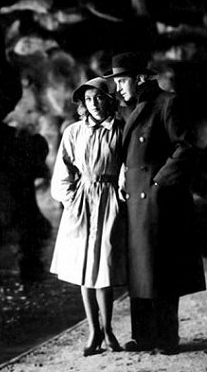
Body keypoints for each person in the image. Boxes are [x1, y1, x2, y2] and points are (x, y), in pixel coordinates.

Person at [104, 52, 206, 355]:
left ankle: (166, 338)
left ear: (139, 79)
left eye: (122, 80)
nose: (119, 87)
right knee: (140, 268)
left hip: (161, 200)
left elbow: (187, 147)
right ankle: (143, 336)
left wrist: (160, 182)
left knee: (162, 268)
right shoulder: (128, 110)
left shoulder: (167, 103)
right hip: (135, 201)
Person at [50, 76, 127, 357]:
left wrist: (121, 195)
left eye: (99, 98)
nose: (94, 104)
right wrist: (71, 199)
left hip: (109, 201)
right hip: (82, 201)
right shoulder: (73, 132)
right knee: (85, 268)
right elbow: (63, 169)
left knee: (103, 267)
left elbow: (126, 167)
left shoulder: (120, 130)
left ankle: (108, 331)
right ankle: (93, 330)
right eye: (88, 99)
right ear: (83, 104)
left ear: (109, 100)